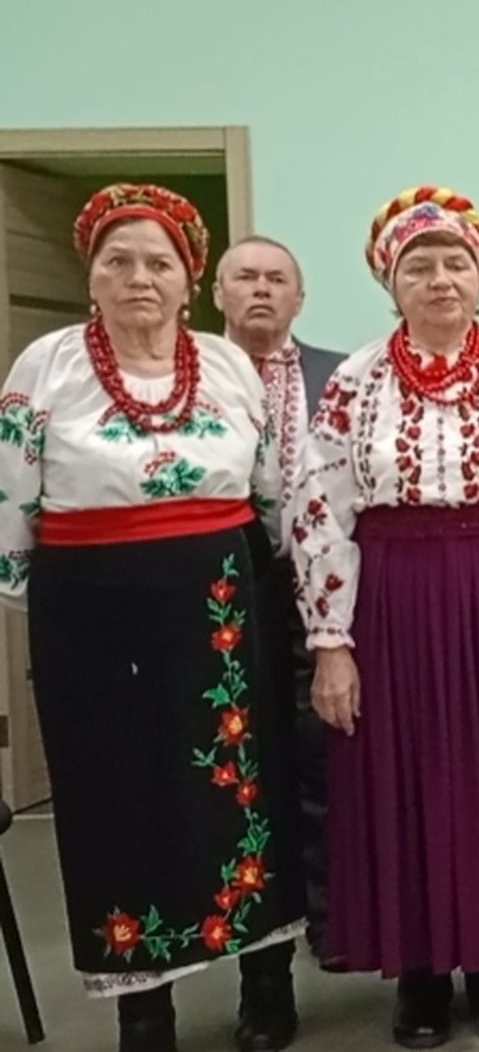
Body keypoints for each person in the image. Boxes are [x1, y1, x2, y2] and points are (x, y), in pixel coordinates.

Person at [0, 184, 304, 1052]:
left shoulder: (227, 366)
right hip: (92, 608)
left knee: (242, 784)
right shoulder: (47, 367)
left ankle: (266, 981)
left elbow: (272, 489)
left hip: (220, 598)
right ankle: (145, 1007)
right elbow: (12, 498)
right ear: (91, 276)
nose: (139, 278)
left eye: (158, 263)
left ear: (188, 279)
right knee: (117, 793)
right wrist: (32, 595)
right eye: (119, 261)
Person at [291, 186, 479, 1048]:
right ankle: (420, 976)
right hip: (393, 603)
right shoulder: (354, 381)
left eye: (455, 263)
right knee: (405, 779)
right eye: (418, 266)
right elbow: (319, 513)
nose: (439, 279)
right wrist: (331, 643)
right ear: (392, 283)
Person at [213, 236, 346, 970]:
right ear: (217, 294)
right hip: (222, 589)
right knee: (235, 763)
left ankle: (326, 917)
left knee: (320, 755)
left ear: (300, 298)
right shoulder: (193, 376)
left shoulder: (341, 376)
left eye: (276, 279)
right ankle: (251, 935)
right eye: (245, 278)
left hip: (319, 594)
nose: (260, 290)